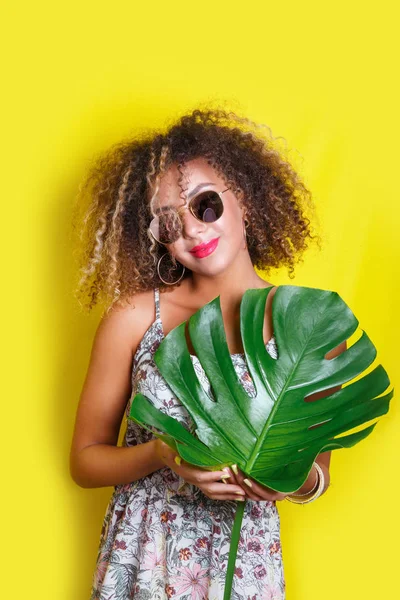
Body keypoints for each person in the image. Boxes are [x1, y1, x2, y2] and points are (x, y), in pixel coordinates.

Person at [70, 108, 344, 600]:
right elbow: (85, 462)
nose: (193, 231)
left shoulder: (310, 325)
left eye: (206, 205)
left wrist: (284, 479)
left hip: (245, 563)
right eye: (167, 222)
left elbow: (318, 475)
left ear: (246, 198)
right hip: (145, 554)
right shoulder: (136, 317)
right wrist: (161, 454)